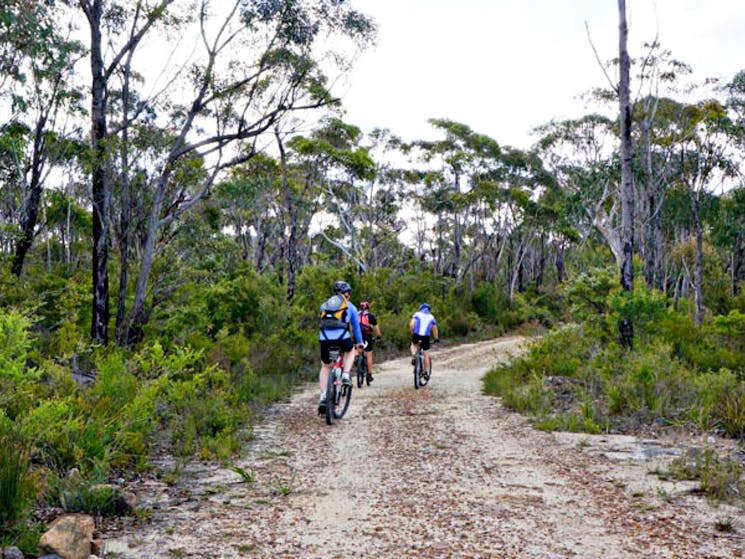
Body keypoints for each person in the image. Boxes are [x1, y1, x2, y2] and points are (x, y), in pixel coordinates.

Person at [318, 280, 364, 414]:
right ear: (347, 294)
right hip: (343, 338)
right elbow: (356, 327)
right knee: (350, 351)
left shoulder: (323, 305)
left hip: (324, 339)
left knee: (325, 366)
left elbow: (321, 324)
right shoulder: (350, 306)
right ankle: (345, 374)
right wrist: (359, 342)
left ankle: (324, 396)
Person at [409, 302, 439, 375]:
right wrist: (436, 338)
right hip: (426, 337)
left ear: (420, 309)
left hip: (417, 334)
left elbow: (411, 324)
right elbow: (434, 329)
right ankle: (425, 372)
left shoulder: (417, 314)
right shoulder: (431, 317)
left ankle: (414, 356)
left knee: (413, 345)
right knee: (426, 355)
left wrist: (412, 332)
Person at [357, 301, 382, 382]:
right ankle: (369, 374)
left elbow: (352, 326)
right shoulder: (371, 316)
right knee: (369, 355)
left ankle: (357, 361)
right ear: (368, 308)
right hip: (367, 337)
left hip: (357, 336)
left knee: (357, 351)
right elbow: (376, 329)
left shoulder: (356, 315)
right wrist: (378, 336)